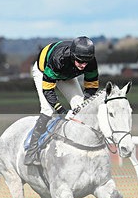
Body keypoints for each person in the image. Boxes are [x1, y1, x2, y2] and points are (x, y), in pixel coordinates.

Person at [25, 36, 100, 165]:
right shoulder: (58, 59)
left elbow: (92, 86)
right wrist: (62, 111)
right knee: (48, 109)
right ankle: (31, 153)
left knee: (81, 107)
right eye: (80, 61)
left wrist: (86, 104)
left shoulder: (90, 61)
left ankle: (80, 148)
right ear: (72, 56)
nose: (83, 65)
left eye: (86, 62)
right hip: (44, 71)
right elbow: (48, 90)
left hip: (67, 74)